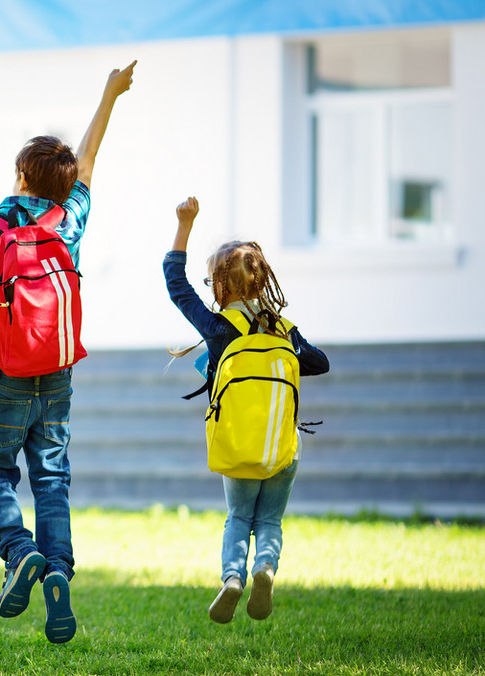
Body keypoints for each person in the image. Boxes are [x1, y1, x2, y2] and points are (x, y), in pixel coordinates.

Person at [0, 61, 136, 644]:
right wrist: (109, 93)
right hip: (55, 372)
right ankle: (57, 573)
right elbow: (90, 158)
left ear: (20, 175)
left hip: (0, 370)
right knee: (51, 477)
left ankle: (19, 551)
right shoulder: (68, 221)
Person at [164, 196, 329, 623]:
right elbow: (319, 363)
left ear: (221, 287)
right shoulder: (283, 329)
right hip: (281, 449)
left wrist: (185, 224)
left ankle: (233, 577)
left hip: (237, 447)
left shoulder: (220, 329)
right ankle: (265, 568)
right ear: (261, 282)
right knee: (269, 520)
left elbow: (174, 284)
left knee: (239, 516)